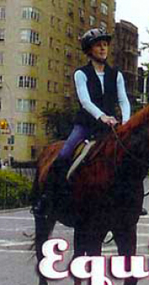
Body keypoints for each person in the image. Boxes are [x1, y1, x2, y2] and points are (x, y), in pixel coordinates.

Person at [32, 28, 131, 216]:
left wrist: (125, 121)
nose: (103, 49)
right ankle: (46, 198)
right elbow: (85, 101)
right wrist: (101, 116)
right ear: (89, 50)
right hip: (86, 126)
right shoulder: (81, 73)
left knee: (128, 156)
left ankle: (129, 200)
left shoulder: (116, 75)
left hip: (111, 128)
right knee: (64, 154)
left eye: (105, 45)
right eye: (98, 45)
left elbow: (123, 100)